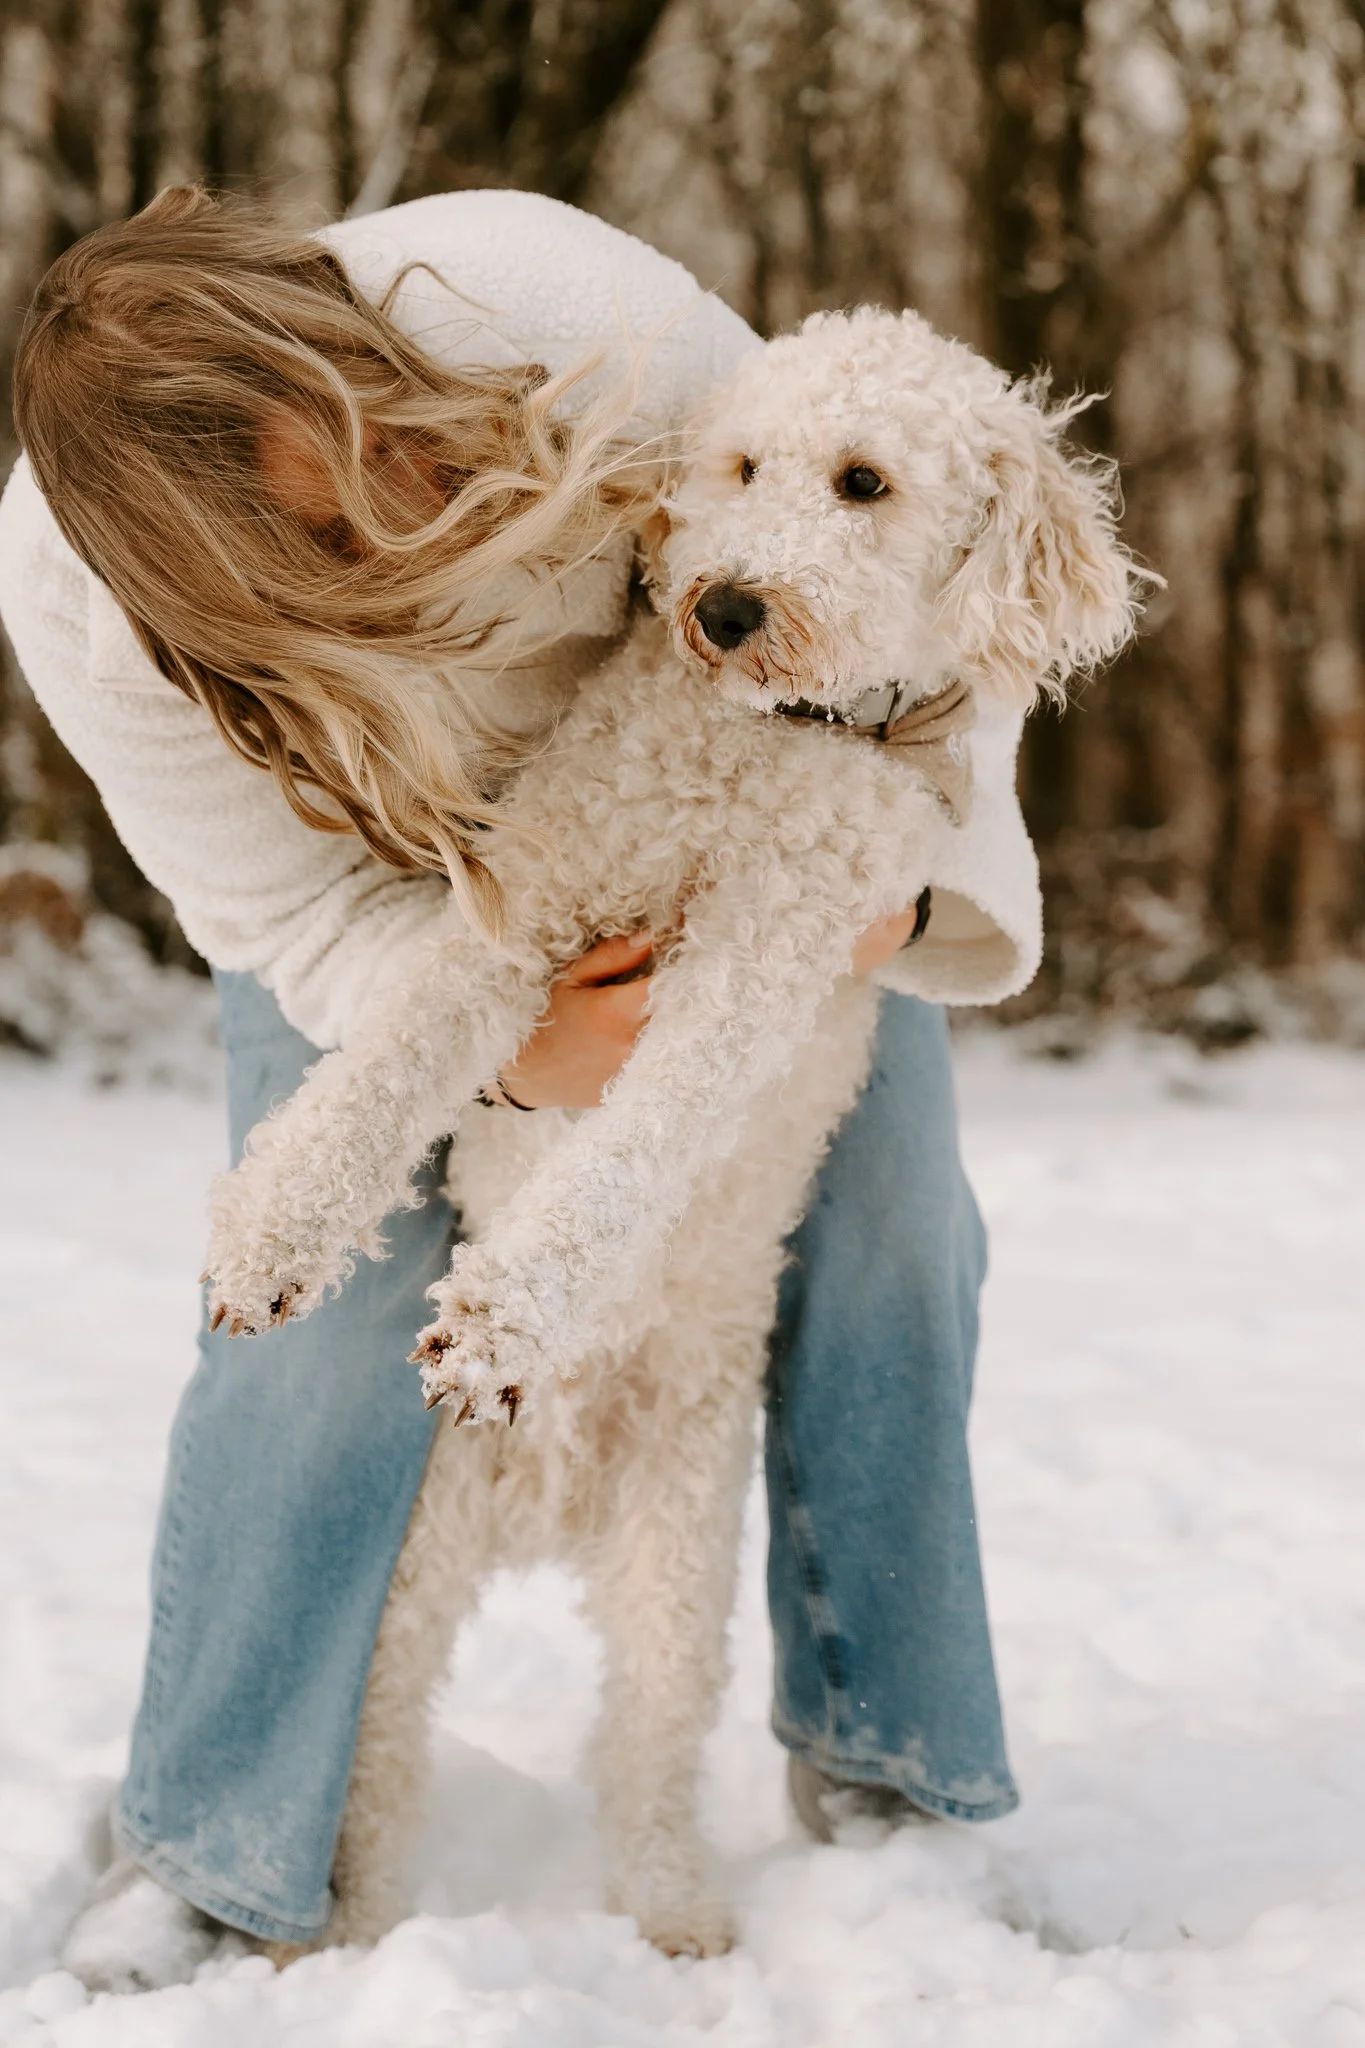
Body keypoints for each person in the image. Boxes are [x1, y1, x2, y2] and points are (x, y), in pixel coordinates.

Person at [0, 185, 1024, 1992]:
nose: (398, 514)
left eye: (383, 444)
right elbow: (285, 910)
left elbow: (928, 583)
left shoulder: (560, 304)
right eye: (326, 531)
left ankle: (895, 1775)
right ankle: (218, 1840)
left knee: (895, 1245)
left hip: (791, 814)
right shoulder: (78, 599)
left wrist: (892, 900)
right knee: (308, 1340)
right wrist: (532, 1038)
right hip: (402, 904)